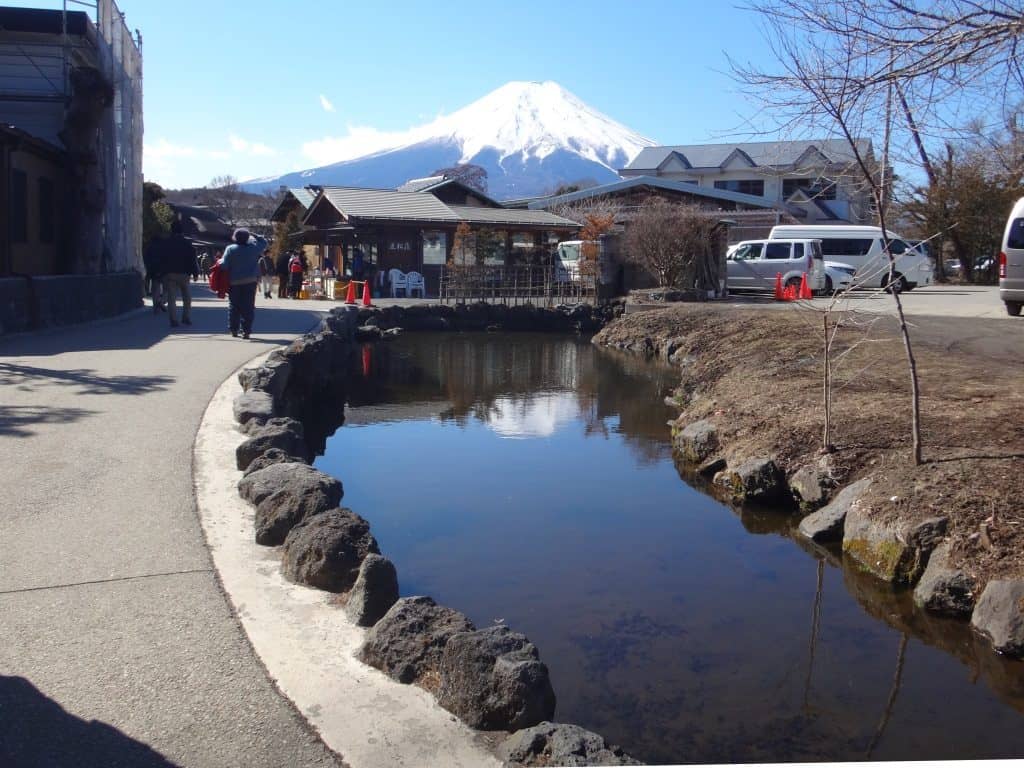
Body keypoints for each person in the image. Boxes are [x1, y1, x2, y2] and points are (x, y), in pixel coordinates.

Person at [220, 228, 267, 338]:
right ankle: (246, 331)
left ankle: (234, 330)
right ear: (247, 237)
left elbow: (224, 266)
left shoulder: (230, 249)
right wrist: (254, 234)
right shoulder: (253, 248)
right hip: (250, 281)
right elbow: (264, 242)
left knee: (234, 306)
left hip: (234, 281)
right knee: (248, 306)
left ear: (235, 237)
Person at [160, 219, 200, 327]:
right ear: (182, 231)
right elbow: (192, 259)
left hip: (170, 273)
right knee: (187, 297)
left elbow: (162, 259)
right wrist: (195, 273)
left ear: (171, 230)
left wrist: (161, 272)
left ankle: (173, 319)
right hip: (184, 273)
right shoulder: (187, 243)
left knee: (171, 298)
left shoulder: (165, 243)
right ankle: (186, 317)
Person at [143, 236, 166, 314]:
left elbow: (145, 259)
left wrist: (149, 269)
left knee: (155, 289)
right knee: (167, 288)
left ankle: (155, 308)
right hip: (163, 270)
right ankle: (161, 301)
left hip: (153, 271)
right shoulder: (164, 247)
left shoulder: (149, 247)